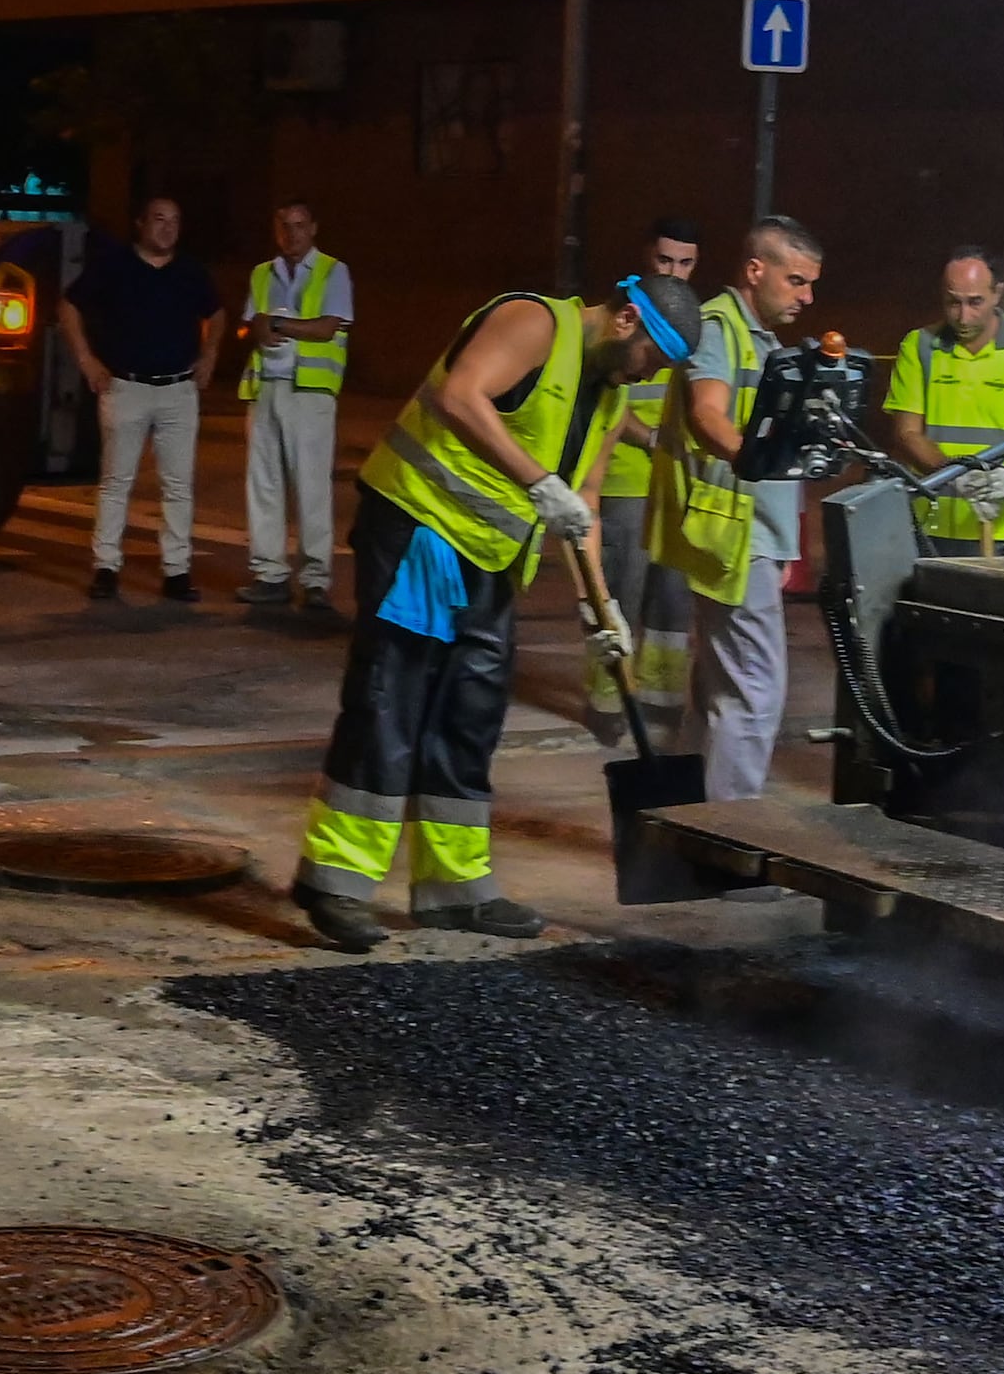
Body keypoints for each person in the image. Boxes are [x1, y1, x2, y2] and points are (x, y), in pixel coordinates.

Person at [293, 270, 695, 953]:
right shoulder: (534, 321)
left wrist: (600, 609)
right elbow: (460, 395)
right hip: (422, 533)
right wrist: (539, 481)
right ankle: (335, 882)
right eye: (651, 361)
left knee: (471, 713)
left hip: (491, 558)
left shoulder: (603, 397)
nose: (644, 377)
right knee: (393, 703)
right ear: (628, 319)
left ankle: (454, 889)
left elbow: (583, 505)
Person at [669, 218, 822, 801]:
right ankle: (728, 842)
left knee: (719, 691)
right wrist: (751, 463)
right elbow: (708, 414)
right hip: (735, 535)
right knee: (756, 694)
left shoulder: (760, 339)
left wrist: (786, 543)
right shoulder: (719, 326)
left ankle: (686, 822)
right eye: (797, 280)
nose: (806, 296)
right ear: (756, 271)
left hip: (754, 537)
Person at [63, 192, 221, 603]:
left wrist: (209, 354)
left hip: (178, 390)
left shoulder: (190, 271)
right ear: (140, 223)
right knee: (116, 482)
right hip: (126, 387)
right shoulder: (115, 266)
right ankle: (106, 567)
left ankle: (176, 572)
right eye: (159, 219)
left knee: (178, 485)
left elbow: (217, 312)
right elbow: (69, 305)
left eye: (175, 221)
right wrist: (87, 360)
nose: (167, 228)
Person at [590, 221, 712, 740]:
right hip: (623, 480)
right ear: (647, 257)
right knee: (620, 595)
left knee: (672, 601)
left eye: (685, 263)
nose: (675, 271)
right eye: (666, 261)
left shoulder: (691, 325)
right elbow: (609, 400)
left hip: (675, 486)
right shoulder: (626, 319)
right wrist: (653, 438)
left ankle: (661, 701)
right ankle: (608, 700)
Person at [879, 244, 1004, 556]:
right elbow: (906, 433)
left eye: (975, 302)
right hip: (933, 528)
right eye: (952, 303)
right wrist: (953, 474)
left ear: (998, 293)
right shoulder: (919, 346)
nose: (963, 316)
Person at [238, 199, 354, 615]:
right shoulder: (261, 273)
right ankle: (270, 575)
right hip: (266, 387)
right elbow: (253, 323)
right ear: (276, 230)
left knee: (311, 487)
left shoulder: (333, 271)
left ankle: (316, 579)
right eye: (285, 226)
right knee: (264, 486)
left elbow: (327, 327)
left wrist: (278, 324)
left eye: (300, 225)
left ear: (314, 229)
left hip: (310, 394)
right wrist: (261, 325)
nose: (292, 234)